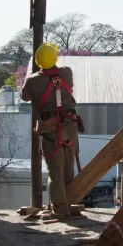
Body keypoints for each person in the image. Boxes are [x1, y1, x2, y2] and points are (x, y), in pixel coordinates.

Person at [20, 43, 84, 221]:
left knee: (55, 171)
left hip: (51, 130)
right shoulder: (67, 72)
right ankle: (66, 205)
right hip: (70, 128)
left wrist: (33, 79)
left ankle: (60, 210)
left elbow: (24, 96)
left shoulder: (33, 81)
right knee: (68, 170)